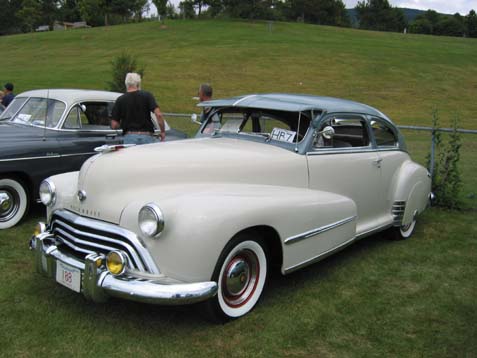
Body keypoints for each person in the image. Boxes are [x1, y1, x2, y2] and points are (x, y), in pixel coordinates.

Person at [111, 73, 165, 145]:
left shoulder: (120, 100)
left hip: (129, 137)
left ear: (126, 83)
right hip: (147, 136)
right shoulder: (147, 96)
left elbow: (114, 124)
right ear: (138, 83)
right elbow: (158, 115)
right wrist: (162, 131)